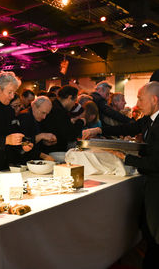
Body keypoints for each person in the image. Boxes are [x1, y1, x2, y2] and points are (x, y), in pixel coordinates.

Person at [82, 81, 159, 268]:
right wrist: (100, 130)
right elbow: (129, 128)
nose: (137, 104)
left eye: (140, 99)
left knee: (155, 236)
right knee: (148, 232)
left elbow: (155, 163)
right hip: (150, 184)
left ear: (154, 99)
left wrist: (125, 157)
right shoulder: (150, 119)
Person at [41, 85, 85, 152]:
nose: (74, 105)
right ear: (69, 97)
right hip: (53, 151)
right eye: (74, 101)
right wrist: (81, 122)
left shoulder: (55, 105)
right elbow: (70, 135)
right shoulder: (59, 111)